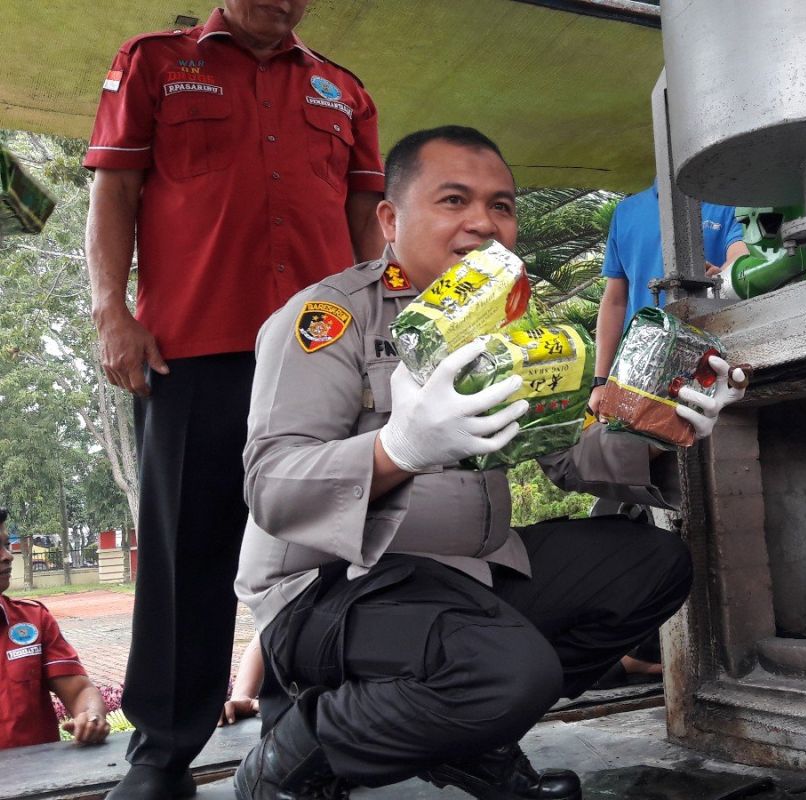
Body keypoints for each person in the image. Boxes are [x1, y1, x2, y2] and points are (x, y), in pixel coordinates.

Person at [232, 126, 747, 799]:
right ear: (391, 218)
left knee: (651, 566)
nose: (485, 224)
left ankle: (471, 738)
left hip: (464, 574)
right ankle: (298, 753)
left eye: (502, 206)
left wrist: (661, 424)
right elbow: (271, 486)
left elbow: (568, 456)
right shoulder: (330, 318)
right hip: (330, 589)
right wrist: (399, 450)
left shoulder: (512, 329)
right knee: (509, 671)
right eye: (454, 200)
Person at [82, 3, 385, 796]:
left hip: (322, 354)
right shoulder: (155, 62)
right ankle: (161, 754)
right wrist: (112, 312)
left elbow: (368, 222)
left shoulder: (342, 89)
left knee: (318, 549)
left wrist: (389, 340)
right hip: (192, 347)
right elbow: (114, 191)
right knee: (186, 550)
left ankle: (303, 735)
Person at [588, 184, 748, 415]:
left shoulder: (729, 201)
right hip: (638, 371)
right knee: (637, 445)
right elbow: (615, 300)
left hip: (708, 369)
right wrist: (601, 382)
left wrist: (722, 274)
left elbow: (741, 258)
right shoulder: (626, 211)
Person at [0, 509, 110, 750]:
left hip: (42, 782)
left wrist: (91, 717)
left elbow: (80, 691)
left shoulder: (33, 620)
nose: (7, 556)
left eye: (6, 544)